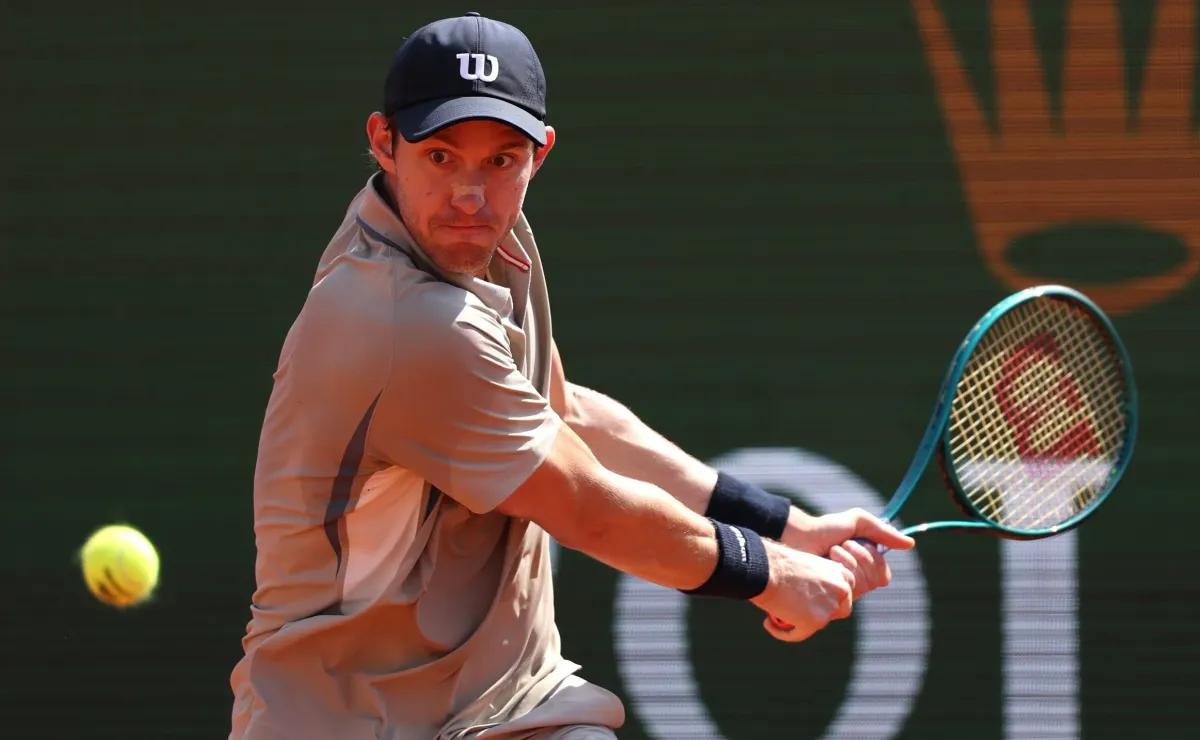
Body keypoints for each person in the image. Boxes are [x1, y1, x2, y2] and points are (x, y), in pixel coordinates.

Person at [228, 11, 915, 740]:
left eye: (502, 159)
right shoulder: (407, 323)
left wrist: (788, 526)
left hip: (505, 707)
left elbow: (569, 417)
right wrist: (771, 574)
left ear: (540, 154)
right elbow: (585, 505)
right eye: (440, 156)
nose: (471, 194)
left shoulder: (489, 248)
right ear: (383, 142)